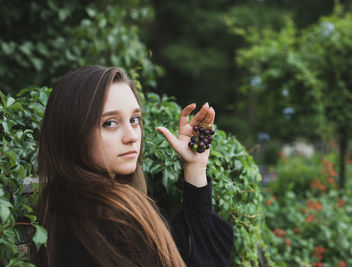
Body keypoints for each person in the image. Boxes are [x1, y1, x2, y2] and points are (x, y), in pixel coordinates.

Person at [34, 66, 233, 267]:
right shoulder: (111, 220)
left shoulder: (64, 205)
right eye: (110, 123)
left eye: (134, 119)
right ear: (73, 132)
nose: (131, 136)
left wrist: (195, 167)